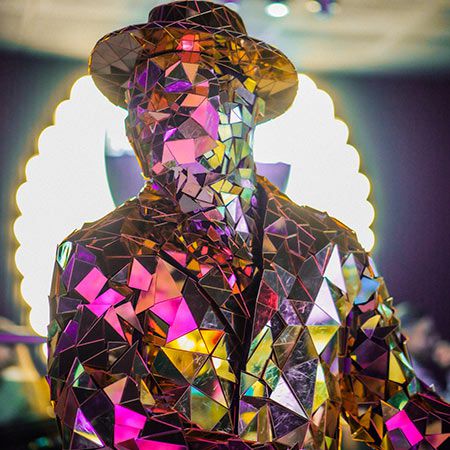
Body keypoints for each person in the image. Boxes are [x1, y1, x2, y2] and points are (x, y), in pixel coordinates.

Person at [47, 2, 449, 449]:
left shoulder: (328, 250)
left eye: (185, 94)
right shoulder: (97, 255)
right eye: (141, 102)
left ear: (244, 108)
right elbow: (100, 420)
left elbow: (391, 406)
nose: (156, 117)